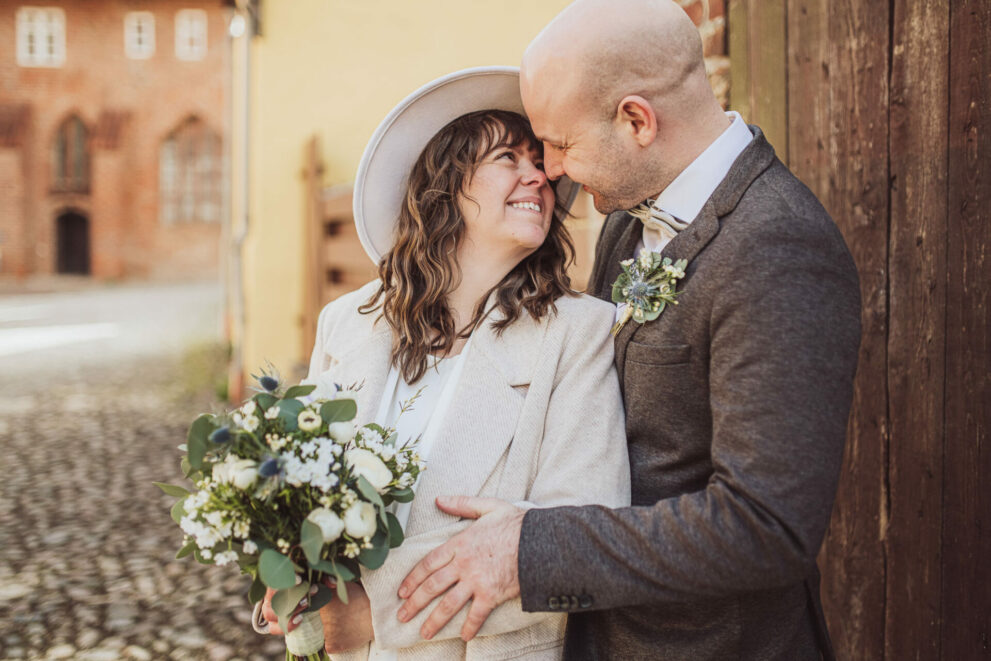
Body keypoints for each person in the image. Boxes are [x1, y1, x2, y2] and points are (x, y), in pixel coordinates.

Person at [393, 1, 862, 660]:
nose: (550, 169)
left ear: (636, 120)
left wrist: (531, 549)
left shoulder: (776, 246)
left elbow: (767, 526)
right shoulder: (625, 215)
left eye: (558, 142)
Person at [260, 67, 631, 660]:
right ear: (445, 184)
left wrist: (370, 613)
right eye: (509, 157)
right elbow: (302, 493)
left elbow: (583, 534)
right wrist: (291, 576)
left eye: (540, 161)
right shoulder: (347, 323)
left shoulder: (577, 333)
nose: (539, 175)